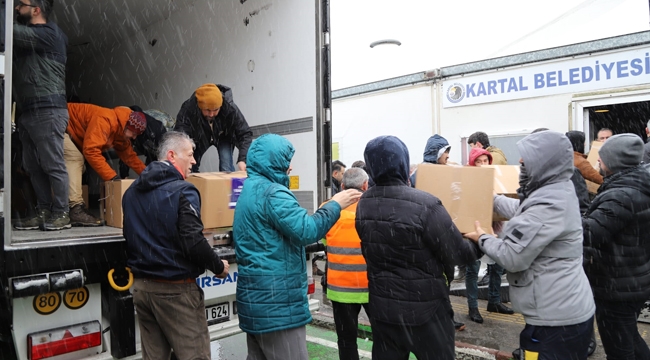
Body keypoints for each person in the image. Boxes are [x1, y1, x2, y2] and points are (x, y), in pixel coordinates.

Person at [465, 130, 595, 359]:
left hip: (557, 321)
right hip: (554, 312)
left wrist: (483, 237)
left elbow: (511, 257)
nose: (521, 164)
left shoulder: (550, 202)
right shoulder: (554, 189)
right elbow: (522, 211)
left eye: (527, 161)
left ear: (545, 163)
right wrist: (490, 196)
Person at [233, 134, 360, 360]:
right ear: (274, 161)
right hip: (278, 307)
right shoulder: (273, 192)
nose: (290, 167)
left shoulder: (250, 189)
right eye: (286, 160)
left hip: (257, 302)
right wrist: (334, 205)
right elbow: (306, 230)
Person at [356, 135, 480, 360]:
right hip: (427, 311)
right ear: (403, 162)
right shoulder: (426, 204)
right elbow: (457, 254)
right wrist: (480, 241)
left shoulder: (364, 203)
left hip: (383, 309)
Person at [122, 131, 230, 360]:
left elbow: (130, 237)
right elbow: (193, 241)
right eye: (190, 155)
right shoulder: (184, 191)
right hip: (176, 292)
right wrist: (218, 267)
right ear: (171, 155)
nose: (194, 161)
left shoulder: (131, 193)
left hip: (143, 289)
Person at [582, 134, 650, 360]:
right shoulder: (636, 183)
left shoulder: (621, 194)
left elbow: (589, 234)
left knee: (618, 348)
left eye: (601, 158)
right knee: (629, 336)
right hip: (632, 277)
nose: (597, 162)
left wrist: (563, 216)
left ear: (613, 162)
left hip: (616, 286)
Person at [13, 0, 71, 231]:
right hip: (28, 111)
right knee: (32, 166)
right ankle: (44, 210)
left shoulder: (50, 34)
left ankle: (61, 213)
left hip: (47, 110)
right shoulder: (31, 38)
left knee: (52, 165)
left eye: (21, 4)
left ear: (36, 10)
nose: (17, 8)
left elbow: (9, 32)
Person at [63, 103, 147, 226]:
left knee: (78, 169)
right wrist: (112, 177)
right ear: (127, 126)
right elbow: (91, 151)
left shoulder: (121, 131)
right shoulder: (106, 119)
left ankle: (59, 207)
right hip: (60, 123)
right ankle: (75, 209)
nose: (134, 138)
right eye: (134, 133)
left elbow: (130, 157)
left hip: (69, 130)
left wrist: (149, 174)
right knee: (75, 159)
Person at [325, 167, 370, 360]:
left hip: (340, 288)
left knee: (346, 340)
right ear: (365, 185)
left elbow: (324, 242)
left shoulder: (328, 208)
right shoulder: (373, 207)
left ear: (342, 186)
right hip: (371, 287)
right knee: (385, 338)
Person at [464, 148, 513, 325]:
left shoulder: (497, 180)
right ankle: (473, 307)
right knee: (473, 269)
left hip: (496, 228)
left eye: (486, 161)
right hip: (474, 230)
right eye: (479, 161)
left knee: (498, 267)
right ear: (472, 164)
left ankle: (494, 301)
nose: (483, 164)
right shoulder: (467, 182)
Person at [175, 83, 252, 172]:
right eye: (207, 110)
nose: (211, 114)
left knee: (226, 166)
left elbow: (245, 133)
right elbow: (180, 135)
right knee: (191, 166)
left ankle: (226, 185)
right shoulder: (188, 109)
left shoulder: (230, 108)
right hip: (199, 137)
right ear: (200, 107)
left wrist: (243, 159)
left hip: (224, 136)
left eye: (216, 110)